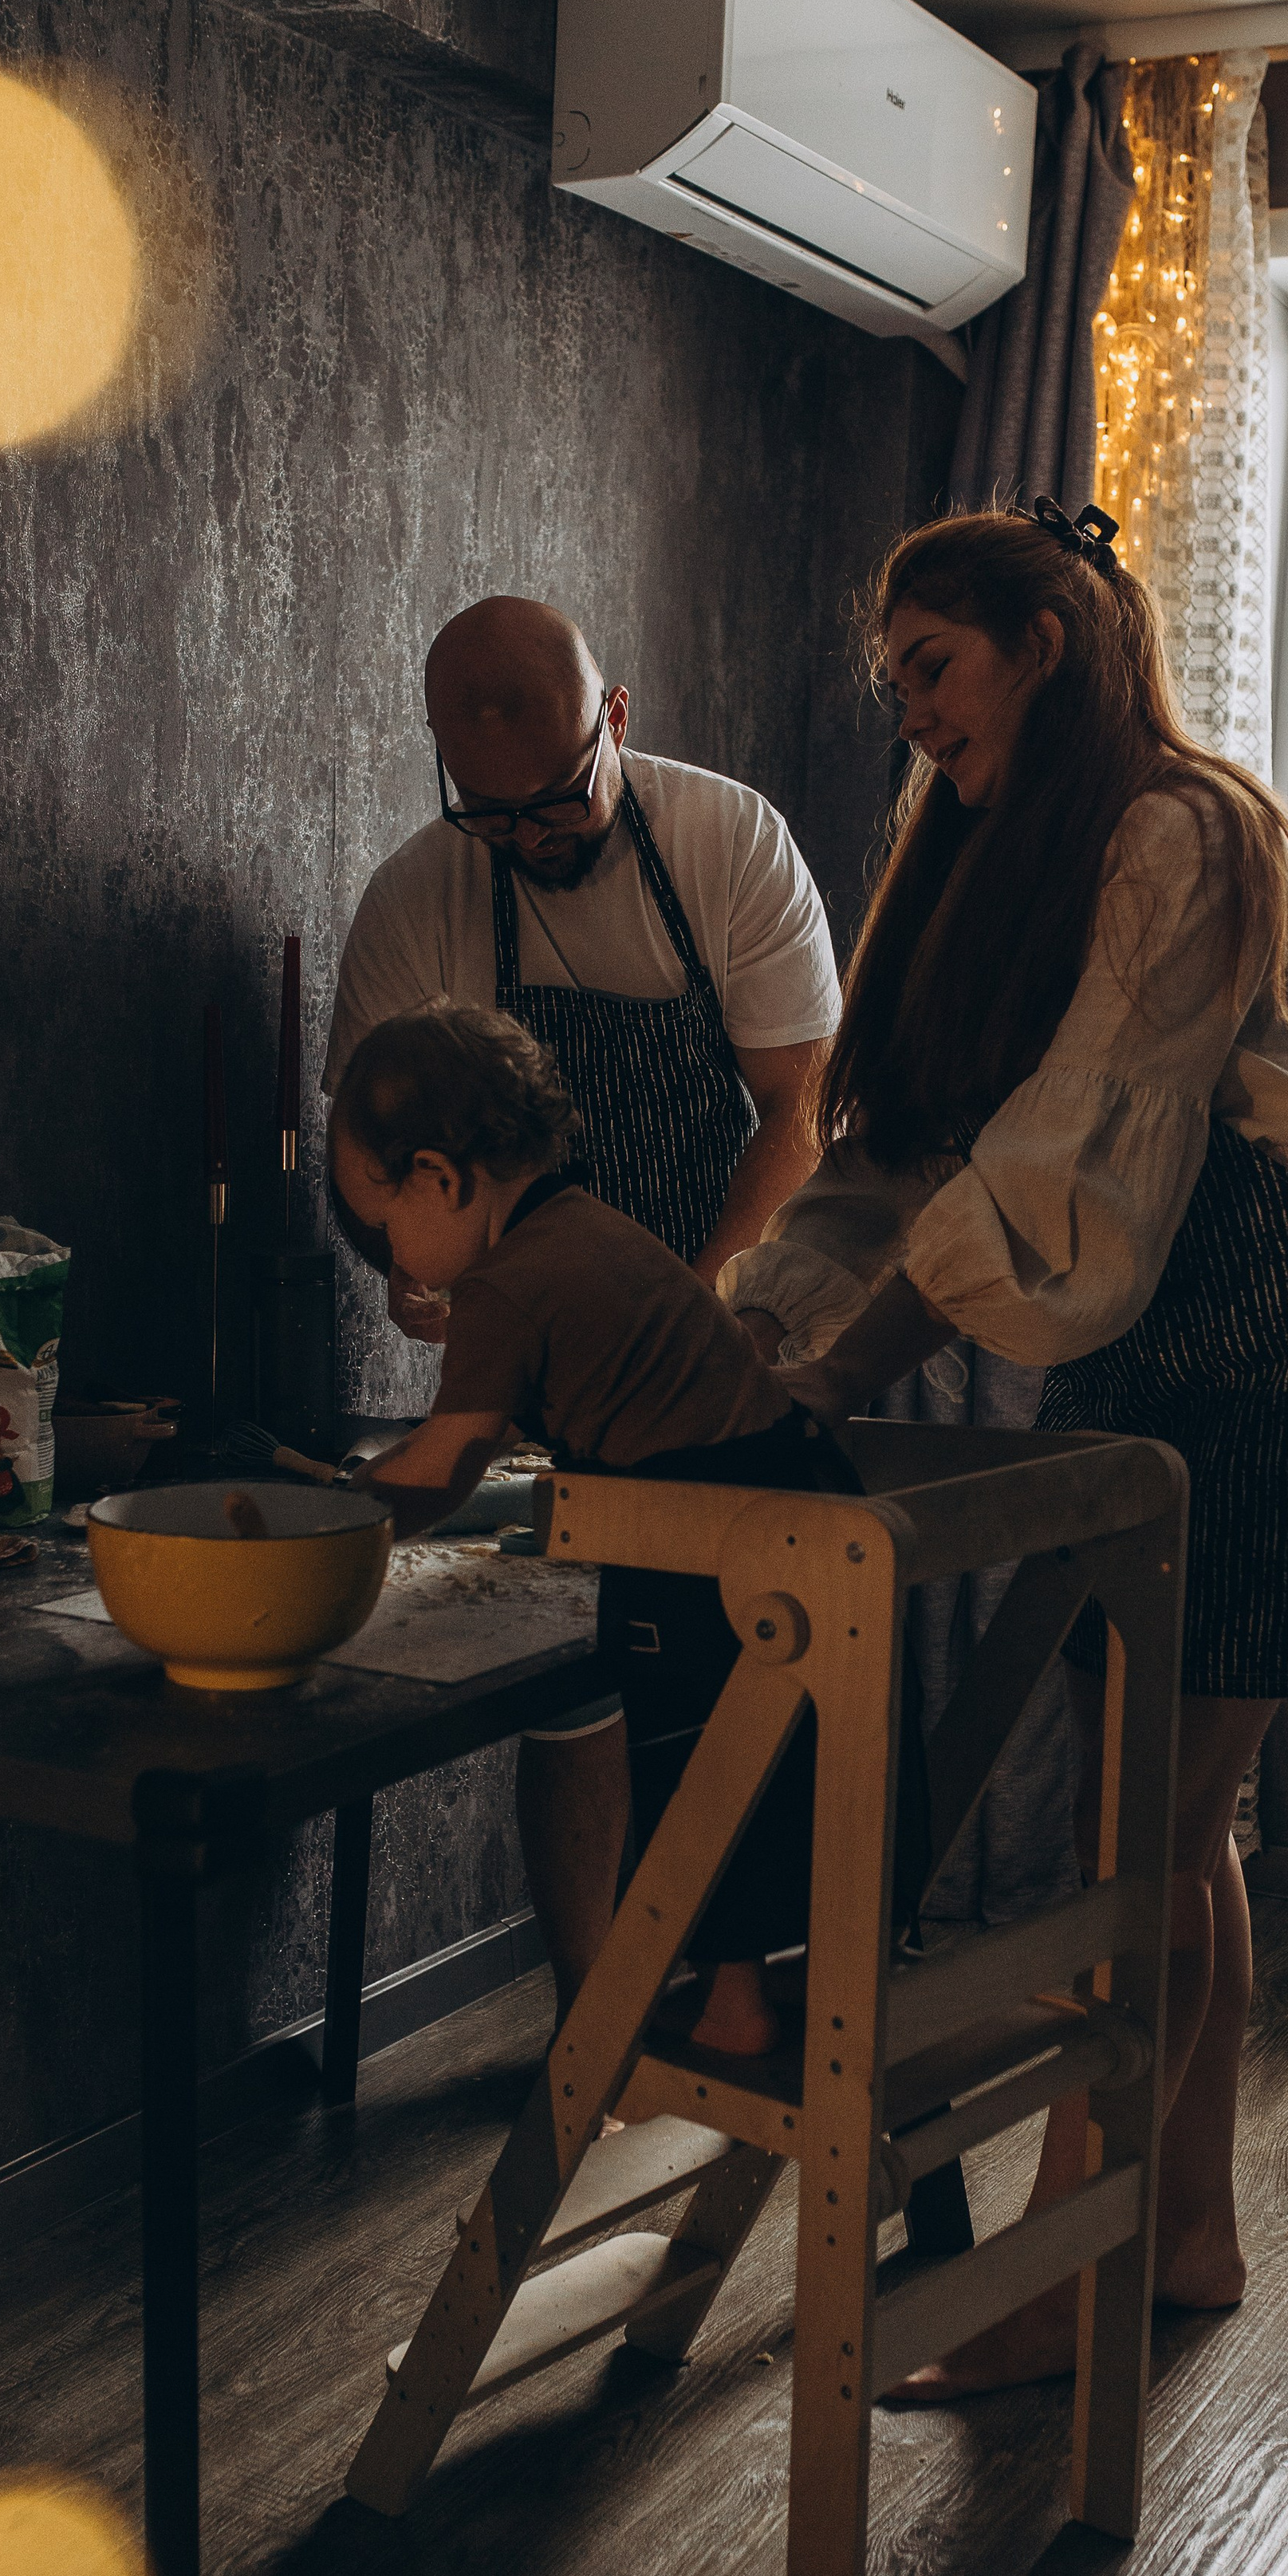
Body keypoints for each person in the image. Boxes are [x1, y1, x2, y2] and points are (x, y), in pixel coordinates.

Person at [721, 501, 1288, 2395]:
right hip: (1171, 1343)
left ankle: (1068, 2275)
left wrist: (850, 1353)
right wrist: (742, 1333)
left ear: (1046, 640)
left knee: (1145, 1838)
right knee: (1177, 1830)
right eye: (892, 688)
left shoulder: (1177, 830)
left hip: (1260, 1341)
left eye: (933, 669)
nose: (912, 717)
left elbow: (1067, 1145)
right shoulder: (990, 851)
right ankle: (1180, 2233)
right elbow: (900, 1148)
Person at [325, 597, 839, 2015]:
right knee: (581, 1685)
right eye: (493, 820)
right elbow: (368, 1160)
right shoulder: (418, 897)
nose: (534, 839)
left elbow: (802, 1111)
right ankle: (595, 2016)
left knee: (739, 1686)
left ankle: (747, 1994)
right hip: (582, 1368)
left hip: (731, 1333)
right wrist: (420, 1279)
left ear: (615, 721)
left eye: (558, 801)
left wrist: (683, 1304)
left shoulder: (727, 843)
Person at [329, 1002, 869, 2054]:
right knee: (756, 1760)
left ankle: (728, 2005)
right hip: (792, 1495)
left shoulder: (507, 1285)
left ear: (441, 1179)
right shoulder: (587, 1226)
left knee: (690, 1764)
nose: (391, 1258)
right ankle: (743, 1989)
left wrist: (330, 1523)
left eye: (384, 1224)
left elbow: (444, 1466)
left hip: (707, 1533)